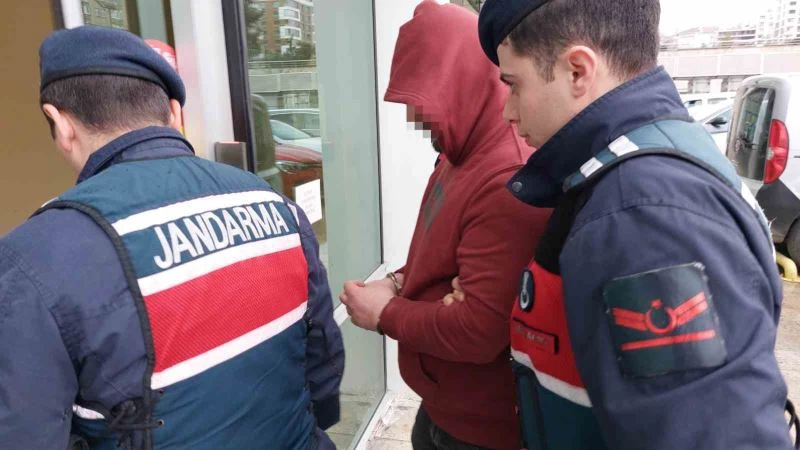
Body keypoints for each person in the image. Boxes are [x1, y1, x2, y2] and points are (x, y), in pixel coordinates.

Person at [0, 26, 343, 450]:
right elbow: (321, 359)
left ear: (60, 122)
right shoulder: (275, 205)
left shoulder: (34, 259)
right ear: (175, 112)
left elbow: (23, 431)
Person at [473, 0, 796, 449]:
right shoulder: (652, 156)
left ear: (577, 71)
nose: (508, 111)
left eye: (514, 85)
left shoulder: (643, 211)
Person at [339, 2, 550, 449]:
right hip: (442, 402)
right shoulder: (460, 152)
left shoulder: (506, 177)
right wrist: (398, 282)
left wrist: (383, 314)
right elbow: (439, 252)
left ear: (464, 84)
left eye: (423, 103)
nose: (415, 119)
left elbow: (478, 330)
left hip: (481, 428)